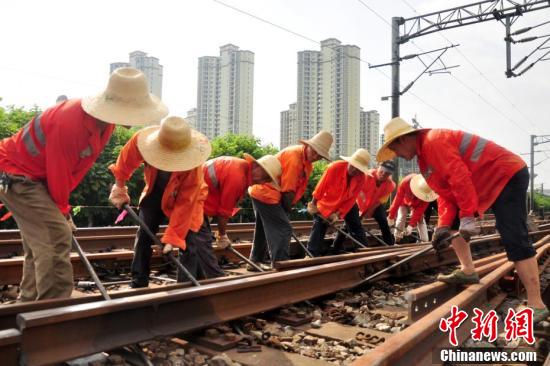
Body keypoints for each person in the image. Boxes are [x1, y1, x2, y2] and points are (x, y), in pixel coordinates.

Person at [0, 67, 167, 301]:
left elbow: (73, 171)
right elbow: (58, 170)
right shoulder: (70, 122)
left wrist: (63, 209)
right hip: (17, 174)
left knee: (40, 244)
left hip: (35, 177)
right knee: (56, 237)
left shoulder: (104, 125)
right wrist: (63, 212)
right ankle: (50, 313)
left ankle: (28, 306)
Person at [377, 117, 549, 322]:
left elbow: (459, 178)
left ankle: (536, 303)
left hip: (506, 174)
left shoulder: (433, 142)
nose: (397, 155)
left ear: (403, 140)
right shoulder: (424, 158)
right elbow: (447, 193)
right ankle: (468, 270)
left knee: (513, 235)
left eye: (395, 149)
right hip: (482, 180)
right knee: (451, 226)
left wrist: (467, 215)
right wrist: (442, 226)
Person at [108, 116, 211, 287]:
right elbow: (125, 163)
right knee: (144, 234)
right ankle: (138, 281)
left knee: (188, 240)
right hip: (154, 191)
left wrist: (173, 238)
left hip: (186, 199)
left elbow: (185, 204)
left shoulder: (193, 168)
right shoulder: (142, 141)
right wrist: (119, 187)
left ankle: (185, 287)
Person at [248, 131, 333, 266]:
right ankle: (281, 264)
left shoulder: (307, 163)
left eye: (320, 156)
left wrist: (288, 207)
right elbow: (288, 191)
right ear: (308, 146)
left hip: (264, 193)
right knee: (283, 228)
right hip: (267, 193)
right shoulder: (294, 158)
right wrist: (286, 211)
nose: (316, 156)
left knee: (265, 228)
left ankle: (255, 261)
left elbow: (295, 189)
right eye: (314, 151)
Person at [203, 153, 281, 254]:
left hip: (196, 195)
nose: (263, 182)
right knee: (200, 242)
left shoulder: (242, 168)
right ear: (257, 166)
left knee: (201, 241)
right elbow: (224, 211)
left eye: (267, 180)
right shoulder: (238, 178)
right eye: (265, 177)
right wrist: (222, 235)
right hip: (191, 196)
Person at [306, 149, 371, 256]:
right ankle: (311, 255)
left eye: (358, 168)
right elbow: (320, 188)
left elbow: (351, 199)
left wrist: (338, 214)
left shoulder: (361, 178)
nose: (354, 170)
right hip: (326, 203)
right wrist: (313, 204)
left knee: (356, 225)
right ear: (350, 162)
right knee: (320, 224)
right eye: (353, 165)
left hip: (345, 204)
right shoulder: (335, 168)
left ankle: (364, 252)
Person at [388, 173, 437, 243]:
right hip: (404, 201)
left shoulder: (428, 194)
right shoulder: (406, 182)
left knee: (420, 218)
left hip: (417, 204)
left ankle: (424, 240)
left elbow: (418, 212)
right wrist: (391, 217)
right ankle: (397, 239)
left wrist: (410, 226)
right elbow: (397, 201)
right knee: (402, 216)